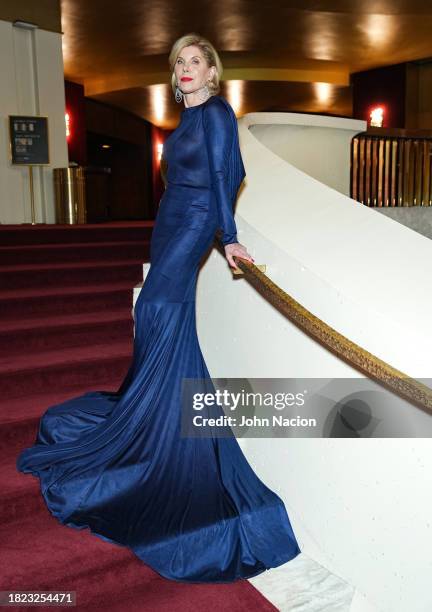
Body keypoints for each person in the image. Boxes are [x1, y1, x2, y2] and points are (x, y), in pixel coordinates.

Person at [16, 33, 301, 583]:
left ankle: (157, 432)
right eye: (181, 63)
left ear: (212, 72)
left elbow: (227, 175)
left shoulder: (218, 113)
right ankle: (156, 416)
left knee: (157, 315)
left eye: (197, 61)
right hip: (169, 222)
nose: (188, 69)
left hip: (193, 224)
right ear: (174, 75)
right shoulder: (182, 122)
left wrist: (230, 234)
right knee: (157, 323)